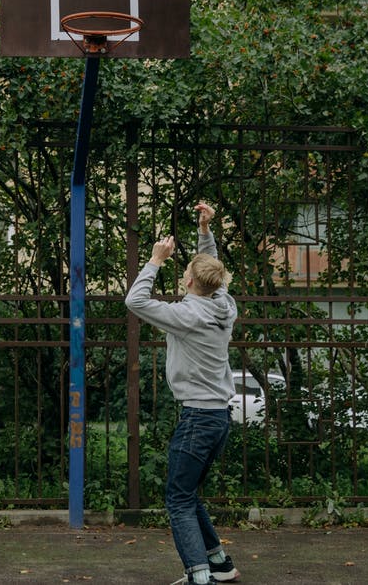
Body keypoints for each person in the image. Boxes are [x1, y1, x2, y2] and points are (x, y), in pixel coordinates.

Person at [124, 202, 240, 585]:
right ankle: (219, 564)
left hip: (198, 419)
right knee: (189, 493)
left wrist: (155, 260)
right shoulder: (224, 305)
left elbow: (135, 301)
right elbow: (212, 269)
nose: (186, 271)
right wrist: (205, 229)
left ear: (190, 282)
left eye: (187, 270)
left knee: (177, 499)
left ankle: (199, 575)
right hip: (219, 418)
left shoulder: (187, 315)